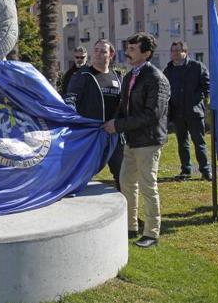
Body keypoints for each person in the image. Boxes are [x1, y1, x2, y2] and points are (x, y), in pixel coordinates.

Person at [103, 32, 170, 248]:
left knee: (148, 186)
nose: (127, 52)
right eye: (128, 48)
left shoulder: (156, 78)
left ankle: (151, 232)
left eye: (133, 49)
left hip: (148, 141)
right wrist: (115, 122)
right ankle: (130, 227)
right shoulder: (131, 75)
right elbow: (124, 107)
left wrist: (118, 125)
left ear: (146, 53)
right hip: (131, 140)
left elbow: (152, 115)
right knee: (126, 182)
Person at [64, 39, 123, 190]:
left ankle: (129, 212)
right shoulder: (83, 75)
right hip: (91, 135)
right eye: (96, 50)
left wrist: (118, 123)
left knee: (122, 175)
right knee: (82, 174)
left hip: (114, 132)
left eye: (103, 51)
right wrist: (72, 113)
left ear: (111, 55)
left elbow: (123, 103)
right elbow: (70, 97)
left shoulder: (117, 76)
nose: (98, 54)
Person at [163, 41, 211, 181]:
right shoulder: (168, 70)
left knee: (199, 142)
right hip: (177, 113)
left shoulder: (197, 67)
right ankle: (186, 170)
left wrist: (197, 98)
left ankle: (205, 171)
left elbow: (207, 85)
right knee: (182, 143)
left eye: (177, 51)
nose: (174, 54)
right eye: (172, 51)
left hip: (194, 112)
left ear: (185, 52)